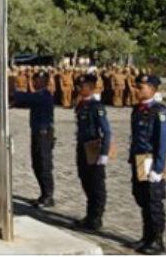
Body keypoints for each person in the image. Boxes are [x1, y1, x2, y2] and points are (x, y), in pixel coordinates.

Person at [128, 74, 166, 254]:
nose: (137, 90)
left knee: (154, 202)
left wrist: (158, 169)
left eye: (141, 87)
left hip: (152, 161)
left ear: (152, 90)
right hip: (139, 159)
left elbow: (163, 141)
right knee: (142, 198)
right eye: (137, 87)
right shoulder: (137, 109)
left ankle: (157, 241)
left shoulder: (159, 112)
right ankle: (146, 236)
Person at [74, 75, 112, 231]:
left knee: (96, 184)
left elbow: (106, 131)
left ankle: (96, 217)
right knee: (85, 181)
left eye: (82, 86)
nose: (79, 89)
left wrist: (104, 153)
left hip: (94, 147)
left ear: (91, 88)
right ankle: (89, 215)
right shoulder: (81, 105)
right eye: (78, 86)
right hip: (82, 147)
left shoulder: (97, 107)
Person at [13, 70, 56, 208]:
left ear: (44, 82)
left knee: (44, 165)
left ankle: (48, 196)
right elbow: (23, 101)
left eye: (37, 81)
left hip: (43, 135)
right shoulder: (38, 95)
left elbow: (24, 98)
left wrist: (11, 86)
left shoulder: (44, 95)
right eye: (34, 80)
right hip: (38, 134)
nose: (34, 83)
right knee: (37, 165)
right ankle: (44, 194)